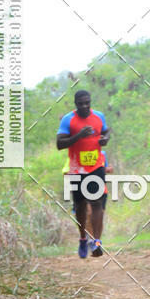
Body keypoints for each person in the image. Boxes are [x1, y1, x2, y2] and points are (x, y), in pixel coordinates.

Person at [57, 90, 110, 258]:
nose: (85, 106)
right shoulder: (68, 120)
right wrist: (78, 136)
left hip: (96, 166)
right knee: (80, 206)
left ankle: (97, 242)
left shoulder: (99, 116)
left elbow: (106, 131)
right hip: (76, 168)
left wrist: (105, 139)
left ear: (90, 101)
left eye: (87, 102)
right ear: (76, 104)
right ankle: (82, 238)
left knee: (97, 203)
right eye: (81, 103)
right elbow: (59, 144)